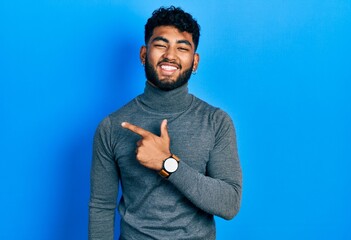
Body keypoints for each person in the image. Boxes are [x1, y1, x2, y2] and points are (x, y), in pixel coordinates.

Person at [89, 6, 242, 240]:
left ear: (195, 62)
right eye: (161, 45)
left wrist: (167, 163)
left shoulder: (216, 122)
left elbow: (229, 203)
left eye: (182, 48)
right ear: (143, 54)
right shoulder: (112, 127)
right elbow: (101, 207)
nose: (170, 55)